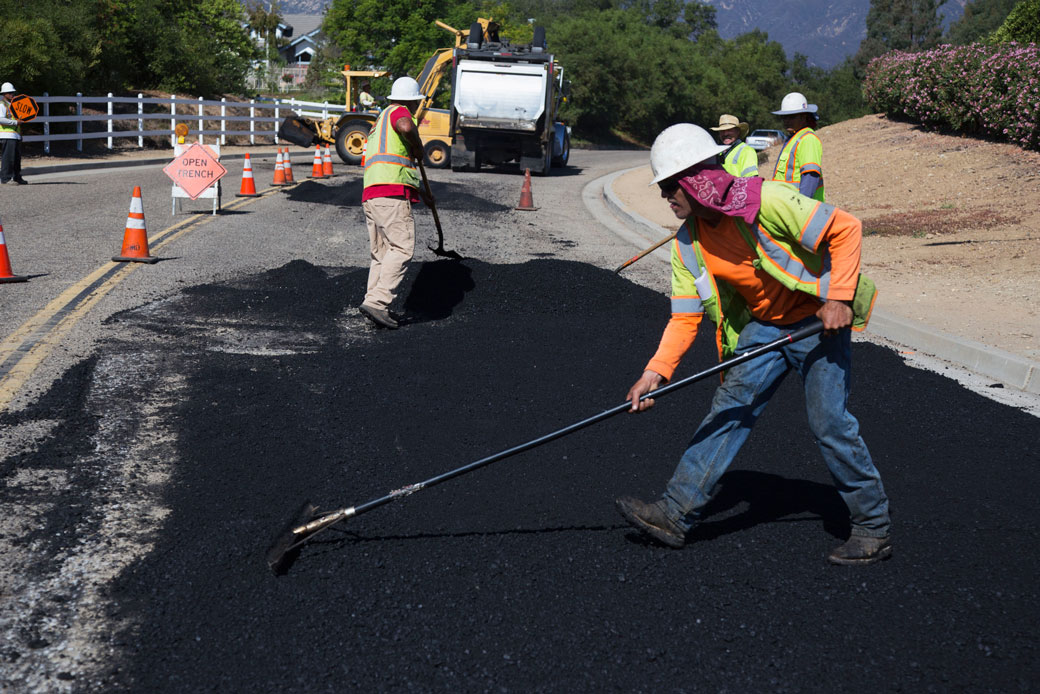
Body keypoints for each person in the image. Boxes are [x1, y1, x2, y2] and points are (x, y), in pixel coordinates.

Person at [615, 123, 891, 566]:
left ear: (696, 180)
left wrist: (838, 298)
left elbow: (846, 228)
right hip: (764, 327)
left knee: (829, 424)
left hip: (815, 322)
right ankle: (675, 513)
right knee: (728, 411)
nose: (665, 197)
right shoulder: (688, 243)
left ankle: (872, 526)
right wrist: (655, 372)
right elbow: (685, 317)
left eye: (669, 187)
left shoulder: (770, 202)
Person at [358, 76, 432, 330]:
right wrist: (418, 146)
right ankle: (379, 302)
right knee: (401, 248)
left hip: (372, 194)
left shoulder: (379, 121)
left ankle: (372, 302)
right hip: (390, 194)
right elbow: (407, 128)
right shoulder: (400, 112)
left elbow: (397, 164)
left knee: (381, 254)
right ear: (413, 101)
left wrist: (423, 194)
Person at [771, 92, 823, 201]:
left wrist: (801, 207)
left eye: (792, 117)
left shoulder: (807, 139)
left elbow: (810, 177)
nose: (787, 121)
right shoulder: (794, 138)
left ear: (804, 117)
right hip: (787, 206)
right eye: (784, 117)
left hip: (799, 210)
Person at [0, 82, 27, 184]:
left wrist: (20, 134)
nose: (12, 94)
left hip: (15, 135)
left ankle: (17, 177)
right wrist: (15, 122)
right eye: (9, 93)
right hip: (6, 135)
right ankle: (6, 178)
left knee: (16, 158)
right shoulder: (1, 105)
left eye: (13, 92)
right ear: (4, 94)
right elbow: (0, 119)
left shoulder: (15, 105)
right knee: (8, 158)